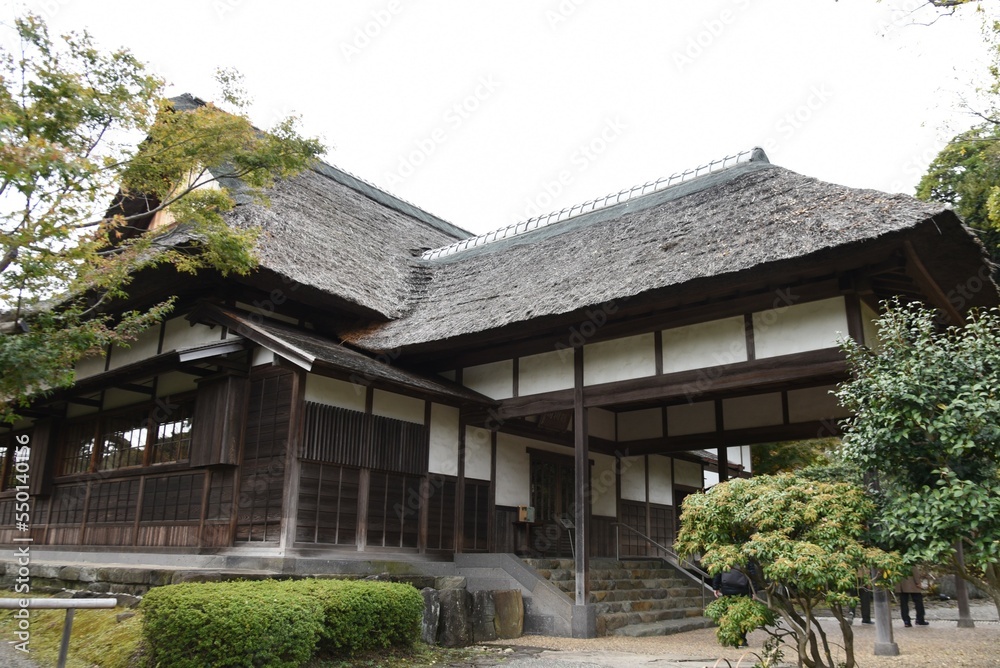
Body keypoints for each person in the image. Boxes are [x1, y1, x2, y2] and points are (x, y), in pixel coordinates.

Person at [713, 566, 753, 647]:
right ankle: (741, 640)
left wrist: (715, 587)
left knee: (726, 613)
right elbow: (752, 572)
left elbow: (717, 570)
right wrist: (753, 590)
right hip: (743, 589)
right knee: (743, 614)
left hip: (727, 589)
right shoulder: (747, 555)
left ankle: (726, 638)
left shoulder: (723, 554)